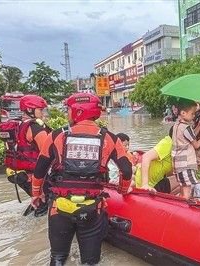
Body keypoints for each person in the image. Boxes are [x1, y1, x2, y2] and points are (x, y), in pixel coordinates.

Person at [30, 93, 132, 266]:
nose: (67, 114)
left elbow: (39, 170)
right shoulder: (110, 138)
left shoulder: (56, 136)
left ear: (77, 111)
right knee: (90, 262)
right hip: (92, 209)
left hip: (59, 209)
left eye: (68, 110)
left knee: (58, 257)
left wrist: (35, 194)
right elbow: (127, 170)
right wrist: (123, 190)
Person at [0, 94, 51, 216]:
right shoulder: (35, 128)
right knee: (45, 204)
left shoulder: (18, 126)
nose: (43, 113)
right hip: (33, 175)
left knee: (39, 202)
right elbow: (49, 153)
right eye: (40, 110)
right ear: (30, 110)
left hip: (16, 174)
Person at [172, 99, 200, 199]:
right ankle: (184, 208)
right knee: (187, 191)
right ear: (183, 113)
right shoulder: (186, 128)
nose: (194, 116)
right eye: (192, 114)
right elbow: (196, 145)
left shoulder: (177, 125)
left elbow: (190, 137)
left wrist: (199, 125)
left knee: (183, 189)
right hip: (186, 164)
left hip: (178, 163)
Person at [135, 127, 174, 193]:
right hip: (147, 183)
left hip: (157, 180)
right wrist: (145, 184)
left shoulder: (178, 148)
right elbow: (146, 157)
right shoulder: (168, 143)